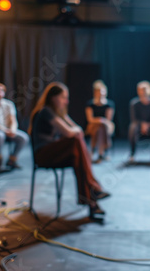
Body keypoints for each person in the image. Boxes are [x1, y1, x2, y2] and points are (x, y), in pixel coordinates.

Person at [28, 82, 110, 220]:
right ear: (53, 98)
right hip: (43, 155)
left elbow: (78, 130)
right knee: (75, 142)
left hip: (54, 153)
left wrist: (66, 118)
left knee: (77, 157)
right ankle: (93, 191)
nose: (66, 101)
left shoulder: (57, 113)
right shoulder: (46, 111)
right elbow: (70, 133)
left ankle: (92, 202)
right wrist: (73, 128)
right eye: (63, 97)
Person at [0, 80, 29, 169]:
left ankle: (12, 159)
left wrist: (13, 130)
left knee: (24, 137)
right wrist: (5, 131)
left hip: (8, 131)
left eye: (1, 91)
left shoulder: (9, 104)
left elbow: (13, 120)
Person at [85, 80, 115, 163]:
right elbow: (90, 119)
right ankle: (102, 152)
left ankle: (93, 150)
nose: (100, 94)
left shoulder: (109, 104)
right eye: (98, 92)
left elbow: (108, 120)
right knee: (99, 128)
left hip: (106, 126)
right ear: (95, 92)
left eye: (102, 92)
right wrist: (99, 120)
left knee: (102, 127)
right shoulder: (90, 104)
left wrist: (101, 121)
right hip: (93, 126)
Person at [128, 81, 150, 163]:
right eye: (140, 90)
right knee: (132, 128)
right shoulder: (134, 103)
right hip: (139, 125)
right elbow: (134, 118)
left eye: (144, 89)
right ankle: (132, 154)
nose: (142, 92)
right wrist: (142, 124)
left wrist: (148, 125)